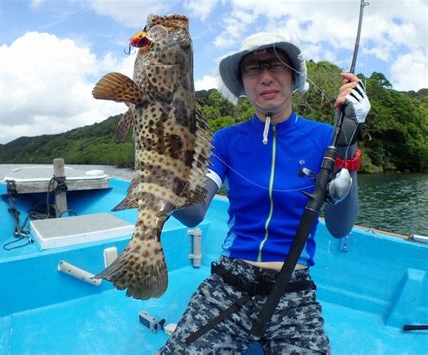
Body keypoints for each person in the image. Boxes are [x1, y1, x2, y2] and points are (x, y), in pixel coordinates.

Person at [159, 32, 370, 354]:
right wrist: (164, 170)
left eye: (276, 65)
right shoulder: (225, 140)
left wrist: (347, 143)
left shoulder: (327, 137)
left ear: (293, 76)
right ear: (242, 83)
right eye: (253, 69)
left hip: (293, 287)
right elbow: (193, 213)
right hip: (230, 281)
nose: (266, 77)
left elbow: (340, 227)